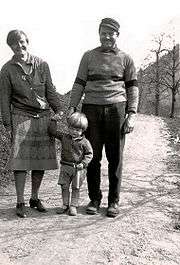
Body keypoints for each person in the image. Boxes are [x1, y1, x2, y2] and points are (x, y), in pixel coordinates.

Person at [68, 18, 139, 218]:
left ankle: (113, 202)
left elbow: (133, 89)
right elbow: (79, 84)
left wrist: (131, 114)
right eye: (103, 33)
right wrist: (72, 108)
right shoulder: (88, 56)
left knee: (115, 158)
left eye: (111, 33)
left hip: (116, 109)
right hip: (91, 109)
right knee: (93, 156)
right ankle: (94, 199)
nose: (107, 36)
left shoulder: (126, 59)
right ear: (99, 34)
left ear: (117, 35)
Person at [0, 30, 63, 218]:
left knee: (40, 160)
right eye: (14, 44)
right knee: (20, 162)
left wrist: (58, 109)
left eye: (21, 42)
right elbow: (4, 99)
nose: (19, 46)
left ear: (27, 41)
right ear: (10, 47)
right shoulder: (7, 70)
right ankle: (20, 201)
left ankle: (34, 198)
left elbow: (50, 90)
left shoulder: (42, 64)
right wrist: (7, 124)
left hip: (43, 117)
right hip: (20, 116)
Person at [48, 112, 93, 216]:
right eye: (72, 128)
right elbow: (52, 132)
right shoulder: (64, 137)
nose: (74, 132)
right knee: (64, 186)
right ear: (68, 127)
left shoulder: (85, 142)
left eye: (77, 130)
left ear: (83, 130)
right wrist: (54, 120)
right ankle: (65, 205)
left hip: (78, 169)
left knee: (75, 187)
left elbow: (89, 154)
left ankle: (73, 205)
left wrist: (83, 163)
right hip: (65, 167)